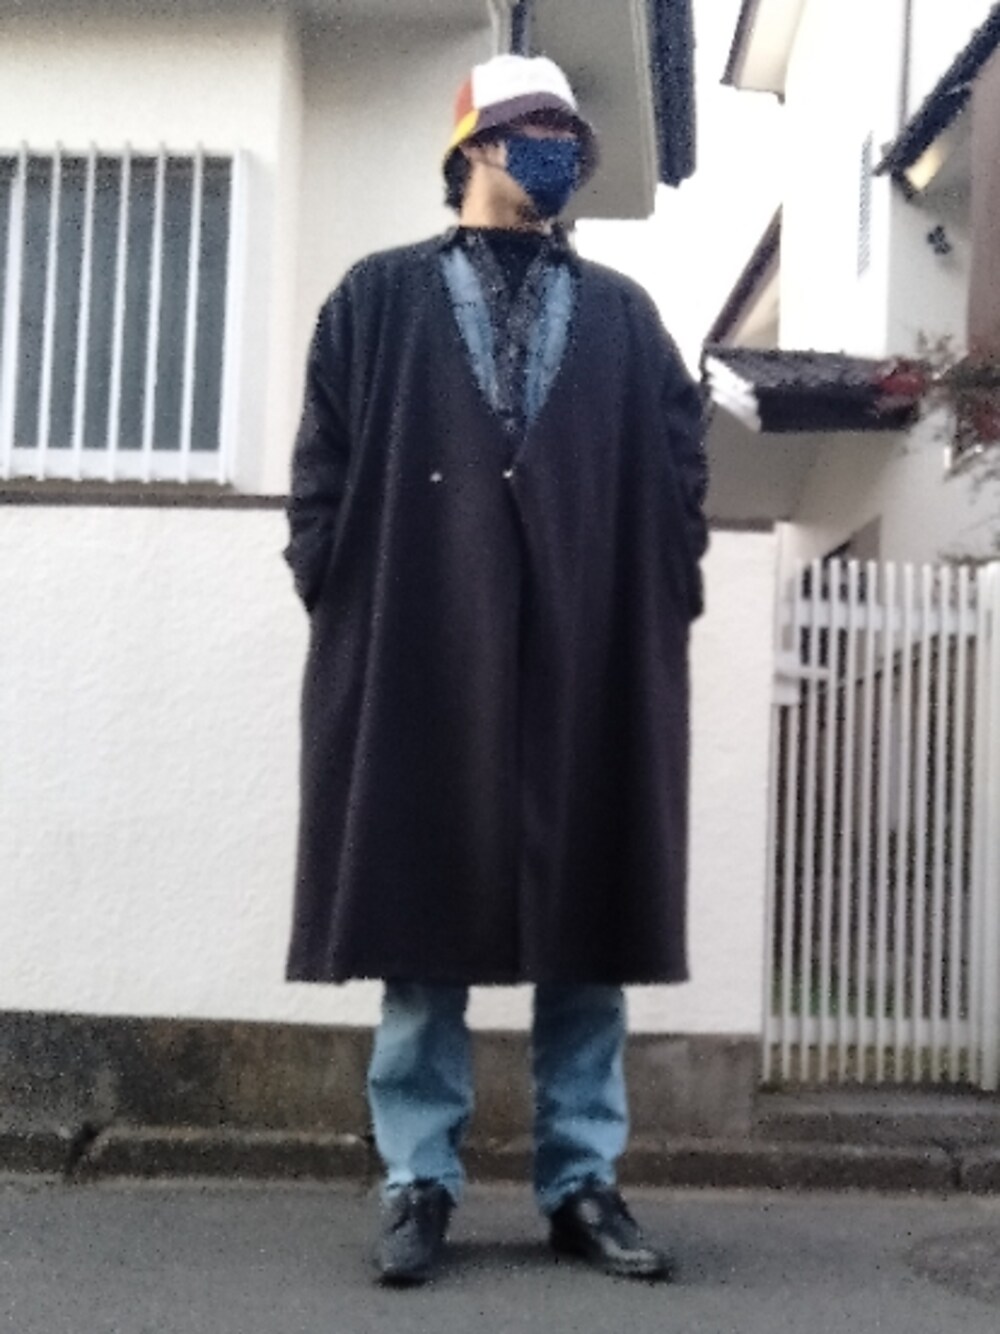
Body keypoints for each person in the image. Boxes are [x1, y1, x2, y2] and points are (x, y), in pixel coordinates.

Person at [284, 52, 708, 1287]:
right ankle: (416, 1177)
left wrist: (655, 593)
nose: (559, 153)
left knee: (592, 923)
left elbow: (679, 463)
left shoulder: (623, 315)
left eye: (570, 136)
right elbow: (322, 468)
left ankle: (582, 1184)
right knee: (420, 926)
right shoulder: (374, 300)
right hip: (419, 640)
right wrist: (344, 587)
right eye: (533, 131)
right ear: (472, 145)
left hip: (592, 645)